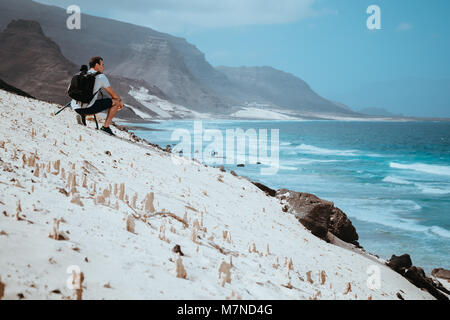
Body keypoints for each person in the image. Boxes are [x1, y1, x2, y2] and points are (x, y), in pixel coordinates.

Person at [72, 56, 123, 136]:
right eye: (102, 64)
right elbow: (113, 94)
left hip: (75, 107)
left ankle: (82, 115)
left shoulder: (81, 74)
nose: (103, 67)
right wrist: (120, 101)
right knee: (116, 102)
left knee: (89, 101)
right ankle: (105, 127)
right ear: (96, 65)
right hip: (87, 108)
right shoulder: (101, 77)